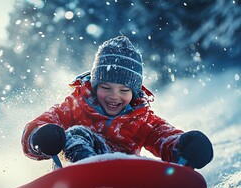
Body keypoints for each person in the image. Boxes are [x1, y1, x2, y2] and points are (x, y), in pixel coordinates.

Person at [21, 35, 213, 169]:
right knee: (75, 134)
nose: (114, 96)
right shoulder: (74, 106)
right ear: (95, 86)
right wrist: (40, 137)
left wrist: (184, 147)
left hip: (123, 174)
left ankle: (104, 176)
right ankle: (87, 171)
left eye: (124, 90)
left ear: (135, 92)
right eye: (106, 88)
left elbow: (164, 137)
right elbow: (36, 129)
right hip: (74, 173)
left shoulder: (141, 119)